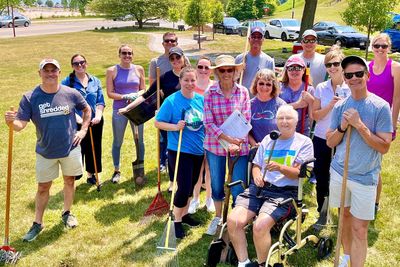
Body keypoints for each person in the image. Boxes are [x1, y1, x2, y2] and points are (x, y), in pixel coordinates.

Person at [4, 58, 91, 242]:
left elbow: (87, 109)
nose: (50, 73)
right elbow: (21, 125)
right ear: (40, 73)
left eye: (54, 70)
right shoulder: (30, 97)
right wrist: (11, 123)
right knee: (43, 187)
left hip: (70, 147)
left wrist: (83, 130)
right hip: (45, 151)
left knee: (69, 181)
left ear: (59, 72)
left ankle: (67, 213)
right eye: (46, 70)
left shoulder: (71, 93)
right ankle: (38, 223)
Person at [227, 105, 314, 267]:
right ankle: (244, 262)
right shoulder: (269, 139)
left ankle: (262, 264)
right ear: (276, 121)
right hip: (259, 188)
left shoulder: (304, 142)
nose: (284, 121)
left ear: (296, 122)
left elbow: (299, 173)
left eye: (289, 118)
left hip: (285, 192)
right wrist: (256, 176)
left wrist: (280, 167)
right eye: (281, 118)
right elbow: (256, 165)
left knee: (259, 226)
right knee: (233, 220)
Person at [327, 56, 392, 267]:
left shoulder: (381, 107)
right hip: (340, 172)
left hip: (365, 177)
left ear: (367, 75)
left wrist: (360, 125)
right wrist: (343, 127)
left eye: (358, 74)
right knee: (344, 218)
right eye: (349, 75)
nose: (354, 78)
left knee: (360, 229)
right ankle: (346, 258)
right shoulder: (340, 107)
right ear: (344, 79)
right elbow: (330, 142)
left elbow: (384, 146)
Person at [119, 47, 190, 191]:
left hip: (188, 119)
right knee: (171, 150)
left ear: (183, 58)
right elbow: (146, 95)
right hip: (169, 121)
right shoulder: (164, 77)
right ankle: (172, 181)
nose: (175, 61)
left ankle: (188, 179)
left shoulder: (190, 75)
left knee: (187, 151)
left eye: (178, 57)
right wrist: (128, 108)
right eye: (172, 58)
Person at [154, 66, 205, 238]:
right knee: (183, 187)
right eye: (186, 80)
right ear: (180, 81)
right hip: (180, 150)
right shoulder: (172, 101)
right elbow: (158, 122)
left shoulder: (201, 100)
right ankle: (175, 220)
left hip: (198, 150)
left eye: (193, 80)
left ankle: (184, 215)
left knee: (191, 186)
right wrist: (175, 127)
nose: (190, 83)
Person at [204, 55, 250, 235]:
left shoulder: (243, 92)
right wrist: (228, 140)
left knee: (238, 185)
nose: (226, 73)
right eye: (222, 70)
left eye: (230, 70)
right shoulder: (209, 92)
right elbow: (208, 123)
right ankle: (217, 217)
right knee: (216, 184)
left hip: (239, 147)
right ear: (217, 73)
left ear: (235, 72)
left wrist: (235, 142)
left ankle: (235, 220)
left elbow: (245, 118)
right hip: (215, 146)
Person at [311, 48, 350, 229]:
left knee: (341, 177)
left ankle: (343, 213)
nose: (333, 68)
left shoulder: (351, 87)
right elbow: (315, 115)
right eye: (329, 64)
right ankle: (322, 211)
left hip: (343, 139)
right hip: (321, 138)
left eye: (336, 64)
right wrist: (330, 105)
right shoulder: (321, 88)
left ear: (343, 65)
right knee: (321, 175)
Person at [367, 33, 400, 215]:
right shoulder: (368, 68)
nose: (380, 49)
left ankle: (375, 203)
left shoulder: (395, 68)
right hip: (366, 122)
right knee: (366, 161)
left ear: (389, 47)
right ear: (372, 47)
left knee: (375, 164)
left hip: (383, 124)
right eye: (377, 46)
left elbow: (397, 99)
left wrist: (392, 126)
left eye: (383, 46)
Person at [61, 54, 105, 185]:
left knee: (94, 147)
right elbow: (64, 104)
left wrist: (98, 115)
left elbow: (100, 101)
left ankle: (92, 175)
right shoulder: (67, 82)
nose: (80, 65)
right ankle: (75, 175)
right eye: (76, 63)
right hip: (76, 121)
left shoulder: (95, 80)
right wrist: (77, 117)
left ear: (86, 63)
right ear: (72, 66)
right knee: (77, 147)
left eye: (82, 62)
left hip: (94, 120)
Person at [106, 44, 146, 184]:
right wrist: (124, 97)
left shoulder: (139, 69)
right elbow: (110, 93)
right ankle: (117, 170)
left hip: (136, 110)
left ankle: (141, 168)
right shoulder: (112, 70)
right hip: (119, 110)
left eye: (129, 53)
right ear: (119, 54)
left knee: (139, 140)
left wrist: (135, 95)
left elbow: (143, 90)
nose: (127, 56)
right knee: (118, 141)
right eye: (124, 53)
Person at [188, 56, 215, 214]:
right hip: (195, 133)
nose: (203, 70)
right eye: (200, 67)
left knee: (210, 168)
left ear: (210, 70)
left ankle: (209, 198)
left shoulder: (215, 87)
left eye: (206, 67)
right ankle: (195, 198)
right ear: (196, 68)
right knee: (197, 168)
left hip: (211, 132)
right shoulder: (191, 86)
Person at [249, 69, 286, 146]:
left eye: (268, 84)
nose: (264, 87)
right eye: (261, 83)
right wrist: (254, 145)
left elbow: (287, 129)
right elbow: (246, 131)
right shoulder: (249, 105)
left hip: (276, 148)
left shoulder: (281, 105)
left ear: (273, 86)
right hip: (256, 149)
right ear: (256, 84)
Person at [280, 55, 315, 136]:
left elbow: (312, 118)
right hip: (282, 131)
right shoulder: (279, 87)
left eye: (298, 68)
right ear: (286, 70)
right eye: (291, 68)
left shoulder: (309, 89)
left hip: (302, 133)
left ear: (304, 70)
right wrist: (297, 105)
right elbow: (275, 111)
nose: (294, 71)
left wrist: (311, 102)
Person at [235, 26, 275, 93]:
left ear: (263, 40)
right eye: (253, 37)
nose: (256, 39)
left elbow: (272, 84)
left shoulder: (269, 61)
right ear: (249, 39)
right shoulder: (240, 59)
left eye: (259, 37)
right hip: (242, 99)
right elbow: (233, 80)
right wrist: (239, 71)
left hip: (260, 100)